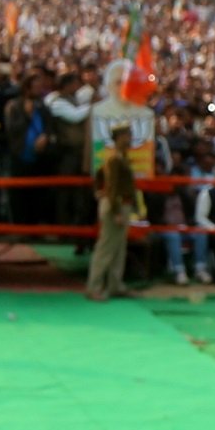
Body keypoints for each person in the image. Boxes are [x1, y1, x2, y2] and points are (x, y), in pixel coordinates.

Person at [86, 121, 142, 301]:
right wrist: (116, 210)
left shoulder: (119, 157)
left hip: (120, 204)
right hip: (115, 205)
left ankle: (115, 284)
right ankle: (94, 286)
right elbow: (114, 186)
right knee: (107, 247)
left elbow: (101, 177)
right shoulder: (115, 159)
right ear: (119, 138)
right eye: (127, 135)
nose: (130, 138)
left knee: (118, 248)